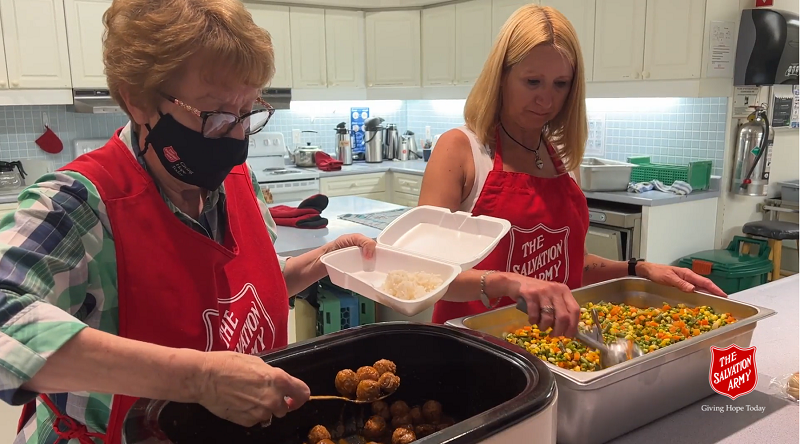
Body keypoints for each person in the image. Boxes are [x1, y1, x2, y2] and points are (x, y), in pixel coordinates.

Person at [0, 1, 376, 443]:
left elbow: (236, 297)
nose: (236, 138)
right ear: (137, 100)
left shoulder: (239, 182)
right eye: (215, 116)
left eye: (246, 114)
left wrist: (319, 263)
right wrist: (198, 380)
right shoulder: (79, 204)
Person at [424, 5, 725, 334]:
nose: (546, 100)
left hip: (550, 350)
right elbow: (424, 273)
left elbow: (569, 263)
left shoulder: (562, 159)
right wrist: (508, 283)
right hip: (470, 351)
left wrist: (639, 269)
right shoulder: (461, 150)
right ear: (502, 77)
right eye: (533, 81)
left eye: (561, 84)